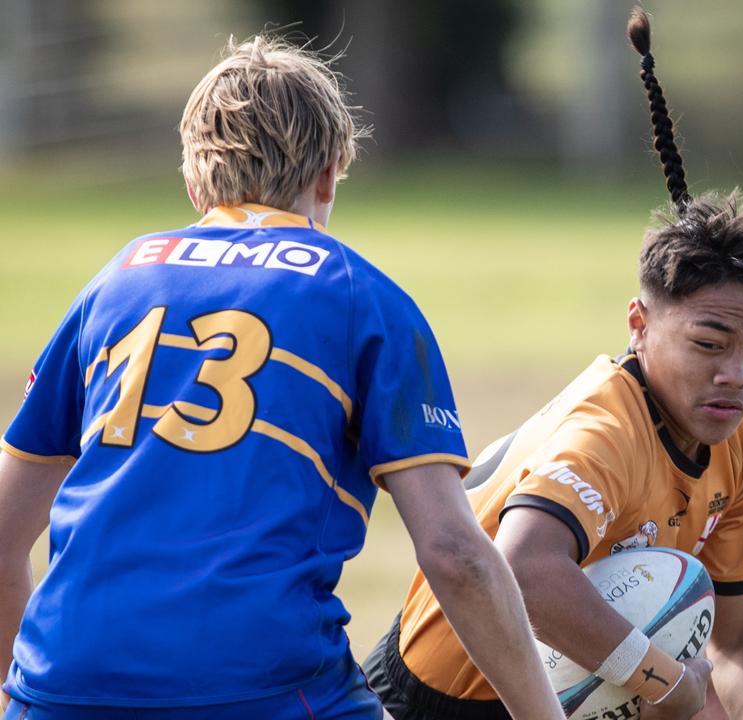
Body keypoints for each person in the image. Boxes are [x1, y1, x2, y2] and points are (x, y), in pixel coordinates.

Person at [0, 36, 563, 720]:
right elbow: (453, 552)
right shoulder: (360, 294)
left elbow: (4, 535)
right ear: (329, 176)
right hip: (259, 685)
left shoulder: (114, 281)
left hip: (60, 684)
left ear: (193, 184)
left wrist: (31, 690)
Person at [363, 9, 743, 720]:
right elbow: (524, 570)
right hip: (428, 706)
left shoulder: (732, 447)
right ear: (640, 324)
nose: (737, 375)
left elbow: (742, 642)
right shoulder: (607, 432)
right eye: (709, 343)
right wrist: (665, 681)